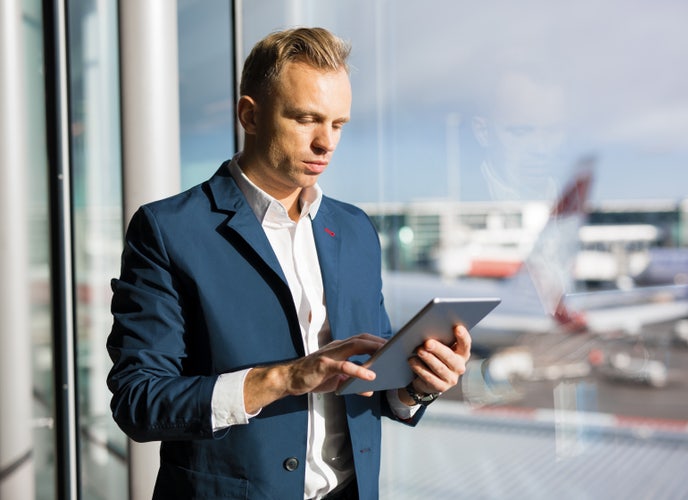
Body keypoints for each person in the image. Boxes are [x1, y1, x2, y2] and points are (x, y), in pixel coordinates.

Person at [107, 27, 471, 500]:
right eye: (306, 119)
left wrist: (417, 386)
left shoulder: (355, 229)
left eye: (338, 124)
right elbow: (139, 401)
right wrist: (284, 378)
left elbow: (375, 387)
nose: (326, 142)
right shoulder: (167, 229)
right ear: (249, 115)